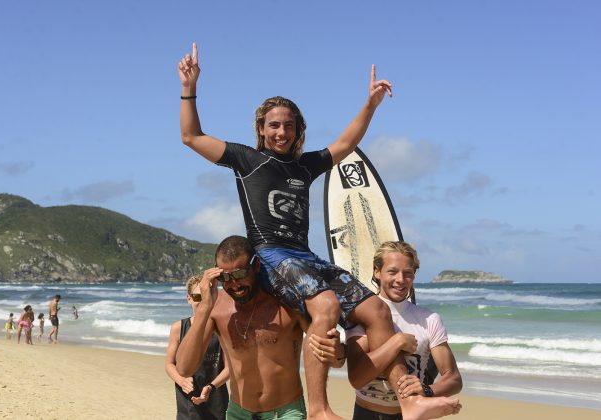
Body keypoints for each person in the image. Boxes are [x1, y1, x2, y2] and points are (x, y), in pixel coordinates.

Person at [178, 43, 459, 420]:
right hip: (272, 253)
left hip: (305, 256)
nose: (281, 131)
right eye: (274, 125)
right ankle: (319, 410)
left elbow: (346, 143)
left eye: (289, 125)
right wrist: (189, 87)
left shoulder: (305, 166)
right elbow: (191, 137)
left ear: (298, 131)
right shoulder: (248, 160)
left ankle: (408, 400)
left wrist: (371, 104)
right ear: (261, 130)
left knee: (376, 310)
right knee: (325, 305)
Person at [311, 241, 463, 419]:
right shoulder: (363, 315)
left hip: (410, 414)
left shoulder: (429, 320)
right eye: (392, 272)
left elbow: (453, 378)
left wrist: (427, 390)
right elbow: (357, 377)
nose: (400, 279)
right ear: (377, 272)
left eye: (408, 273)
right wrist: (396, 342)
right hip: (367, 414)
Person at [176, 235, 315, 419]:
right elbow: (184, 368)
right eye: (226, 277)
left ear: (256, 265)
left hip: (284, 412)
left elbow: (330, 357)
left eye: (240, 274)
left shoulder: (285, 302)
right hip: (238, 412)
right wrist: (204, 308)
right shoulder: (216, 308)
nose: (234, 284)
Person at [166, 275, 229, 420]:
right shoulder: (178, 328)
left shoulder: (221, 329)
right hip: (187, 403)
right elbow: (169, 364)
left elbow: (229, 368)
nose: (202, 301)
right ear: (189, 298)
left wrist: (212, 386)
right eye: (197, 296)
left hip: (216, 400)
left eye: (206, 296)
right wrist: (181, 380)